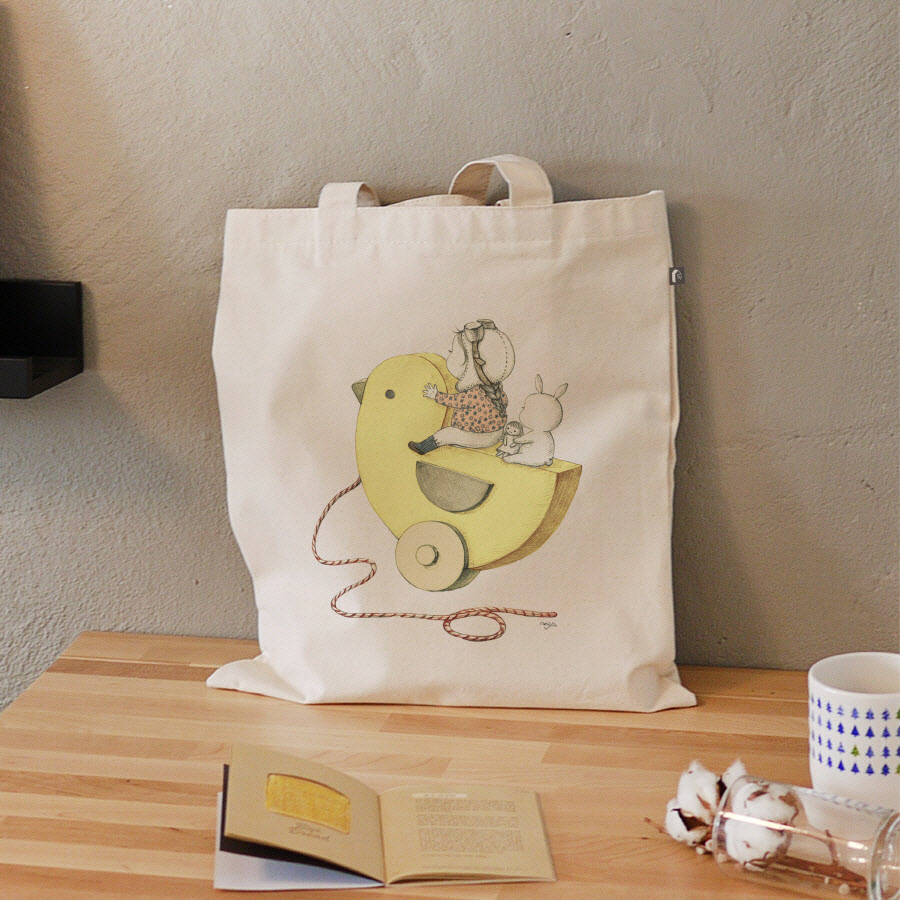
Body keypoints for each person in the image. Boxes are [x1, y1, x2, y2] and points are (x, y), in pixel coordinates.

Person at [409, 319, 515, 454]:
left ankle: (422, 448)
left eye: (452, 351)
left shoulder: (474, 393)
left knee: (445, 434)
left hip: (478, 437)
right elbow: (505, 402)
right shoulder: (496, 389)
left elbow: (454, 401)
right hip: (497, 433)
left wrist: (435, 395)